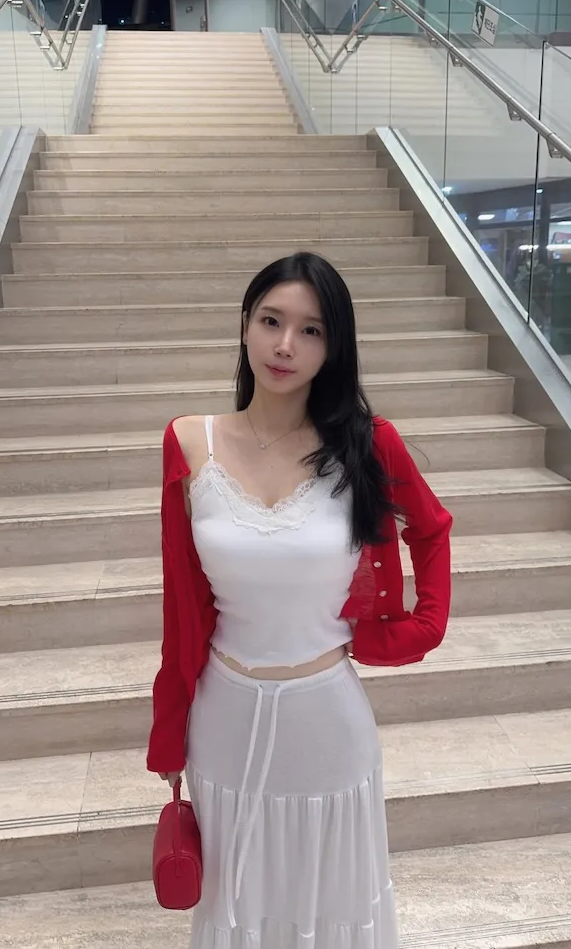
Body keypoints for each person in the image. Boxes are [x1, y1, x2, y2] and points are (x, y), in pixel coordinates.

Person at [147, 251, 453, 948]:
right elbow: (180, 609)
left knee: (332, 906)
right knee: (237, 906)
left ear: (333, 346)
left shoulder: (367, 446)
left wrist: (416, 630)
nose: (286, 345)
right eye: (271, 321)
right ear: (245, 326)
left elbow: (431, 529)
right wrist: (168, 730)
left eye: (311, 330)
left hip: (327, 721)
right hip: (224, 719)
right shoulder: (189, 443)